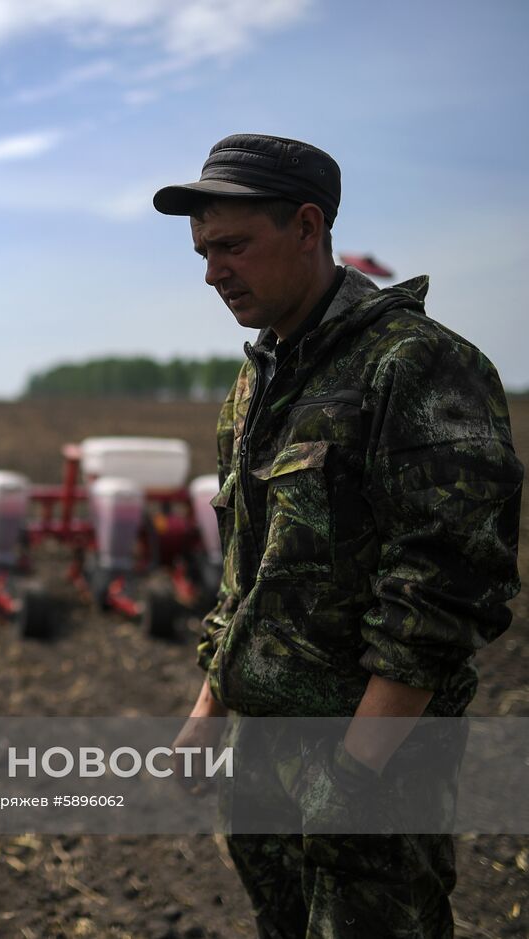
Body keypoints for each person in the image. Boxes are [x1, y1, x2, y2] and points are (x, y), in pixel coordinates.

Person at [156, 134, 522, 937]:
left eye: (233, 246)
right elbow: (251, 571)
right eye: (203, 251)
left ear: (310, 227)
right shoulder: (260, 379)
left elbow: (445, 588)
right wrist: (209, 704)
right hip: (262, 756)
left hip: (373, 771)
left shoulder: (416, 366)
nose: (213, 271)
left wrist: (355, 769)